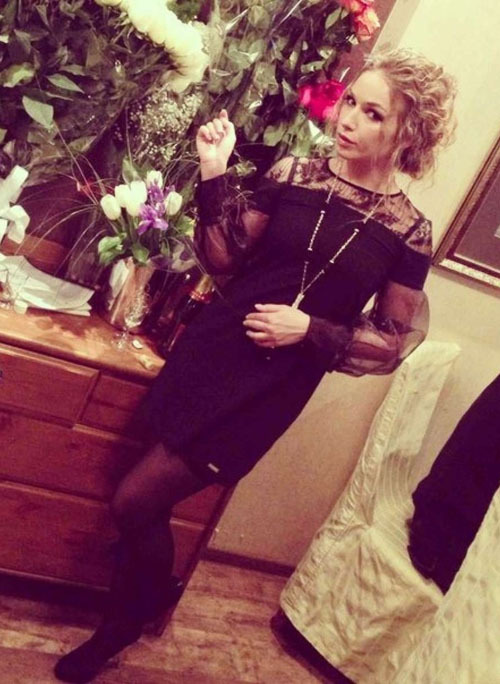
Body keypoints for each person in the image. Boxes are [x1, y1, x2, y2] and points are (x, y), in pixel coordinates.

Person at [54, 47, 456, 682]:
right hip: (211, 351)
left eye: (373, 113)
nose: (349, 119)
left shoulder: (409, 232)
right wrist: (214, 170)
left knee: (134, 501)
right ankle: (149, 595)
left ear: (406, 135)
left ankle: (120, 626)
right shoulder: (296, 172)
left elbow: (388, 340)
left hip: (268, 389)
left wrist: (311, 329)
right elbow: (224, 257)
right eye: (351, 101)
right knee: (142, 504)